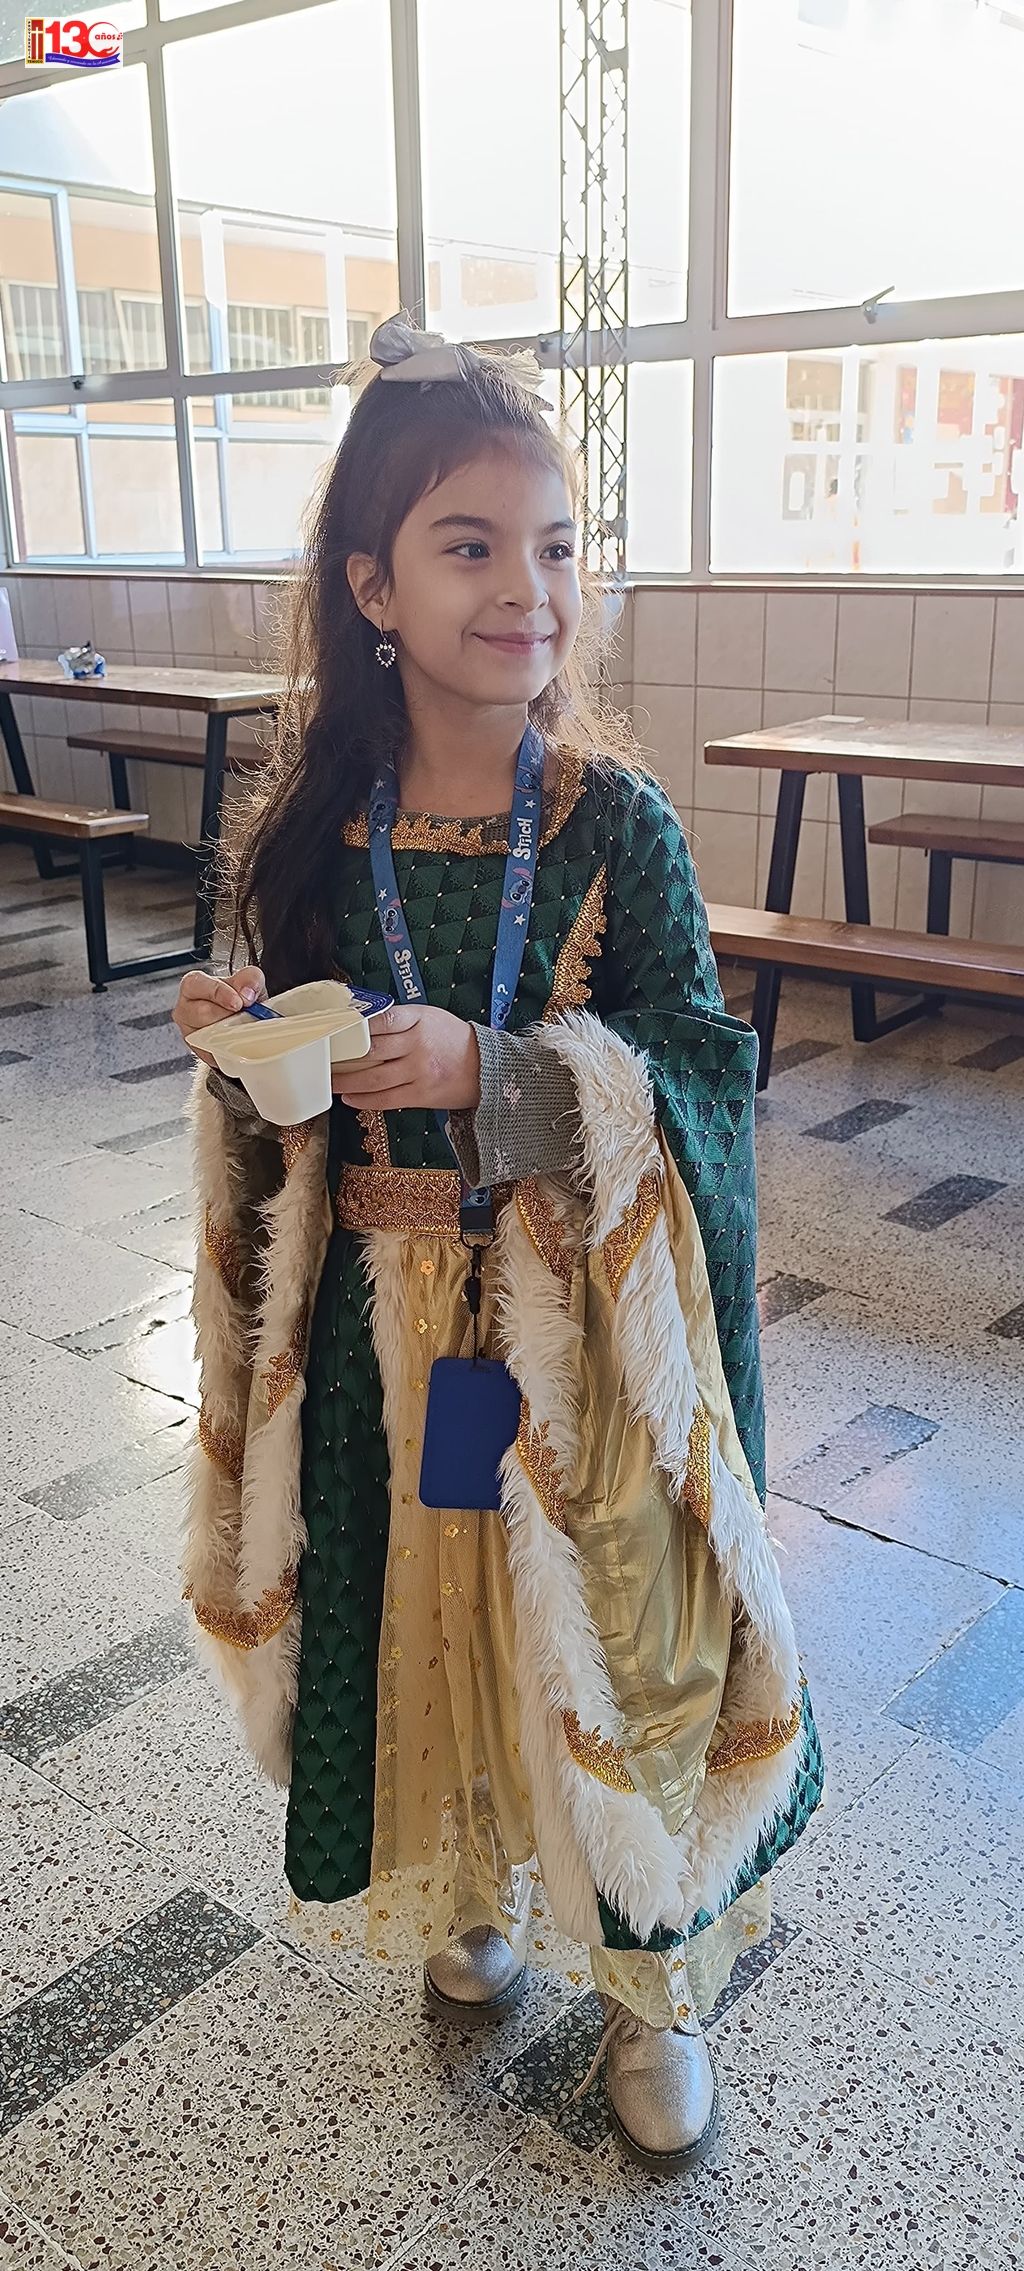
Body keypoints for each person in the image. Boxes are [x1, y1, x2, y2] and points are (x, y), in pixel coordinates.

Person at [172, 316, 824, 2178]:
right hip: (385, 1336)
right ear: (371, 586)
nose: (526, 588)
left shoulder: (619, 827)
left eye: (554, 545)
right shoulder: (318, 831)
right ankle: (466, 1884)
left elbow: (701, 1078)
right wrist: (247, 1047)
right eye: (469, 546)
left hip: (576, 1338)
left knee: (616, 1635)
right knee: (425, 1615)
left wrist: (510, 1072)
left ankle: (651, 1982)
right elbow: (294, 1109)